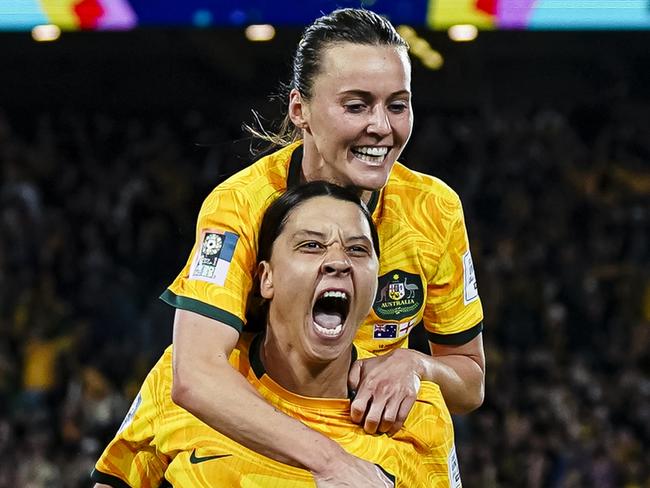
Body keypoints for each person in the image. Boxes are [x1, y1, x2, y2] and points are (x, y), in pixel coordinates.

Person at [165, 8, 484, 486]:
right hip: (261, 442)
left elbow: (471, 382)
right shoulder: (241, 205)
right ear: (301, 111)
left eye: (397, 105)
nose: (382, 126)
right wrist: (332, 463)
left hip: (377, 447)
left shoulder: (434, 210)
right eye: (356, 106)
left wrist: (414, 363)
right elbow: (194, 372)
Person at [91, 182, 459, 487]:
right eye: (311, 245)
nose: (337, 260)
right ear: (266, 278)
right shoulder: (189, 375)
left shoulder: (416, 414)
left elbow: (472, 380)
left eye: (357, 249)